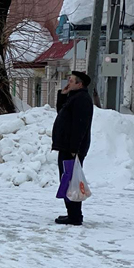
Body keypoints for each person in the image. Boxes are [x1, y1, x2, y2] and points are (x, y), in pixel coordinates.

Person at [51, 71, 94, 226]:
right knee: (67, 180)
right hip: (67, 146)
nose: (68, 83)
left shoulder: (82, 99)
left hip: (71, 148)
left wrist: (74, 148)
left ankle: (75, 216)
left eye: (71, 80)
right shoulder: (74, 97)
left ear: (79, 84)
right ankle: (72, 213)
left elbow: (79, 125)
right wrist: (63, 95)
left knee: (71, 181)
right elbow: (61, 113)